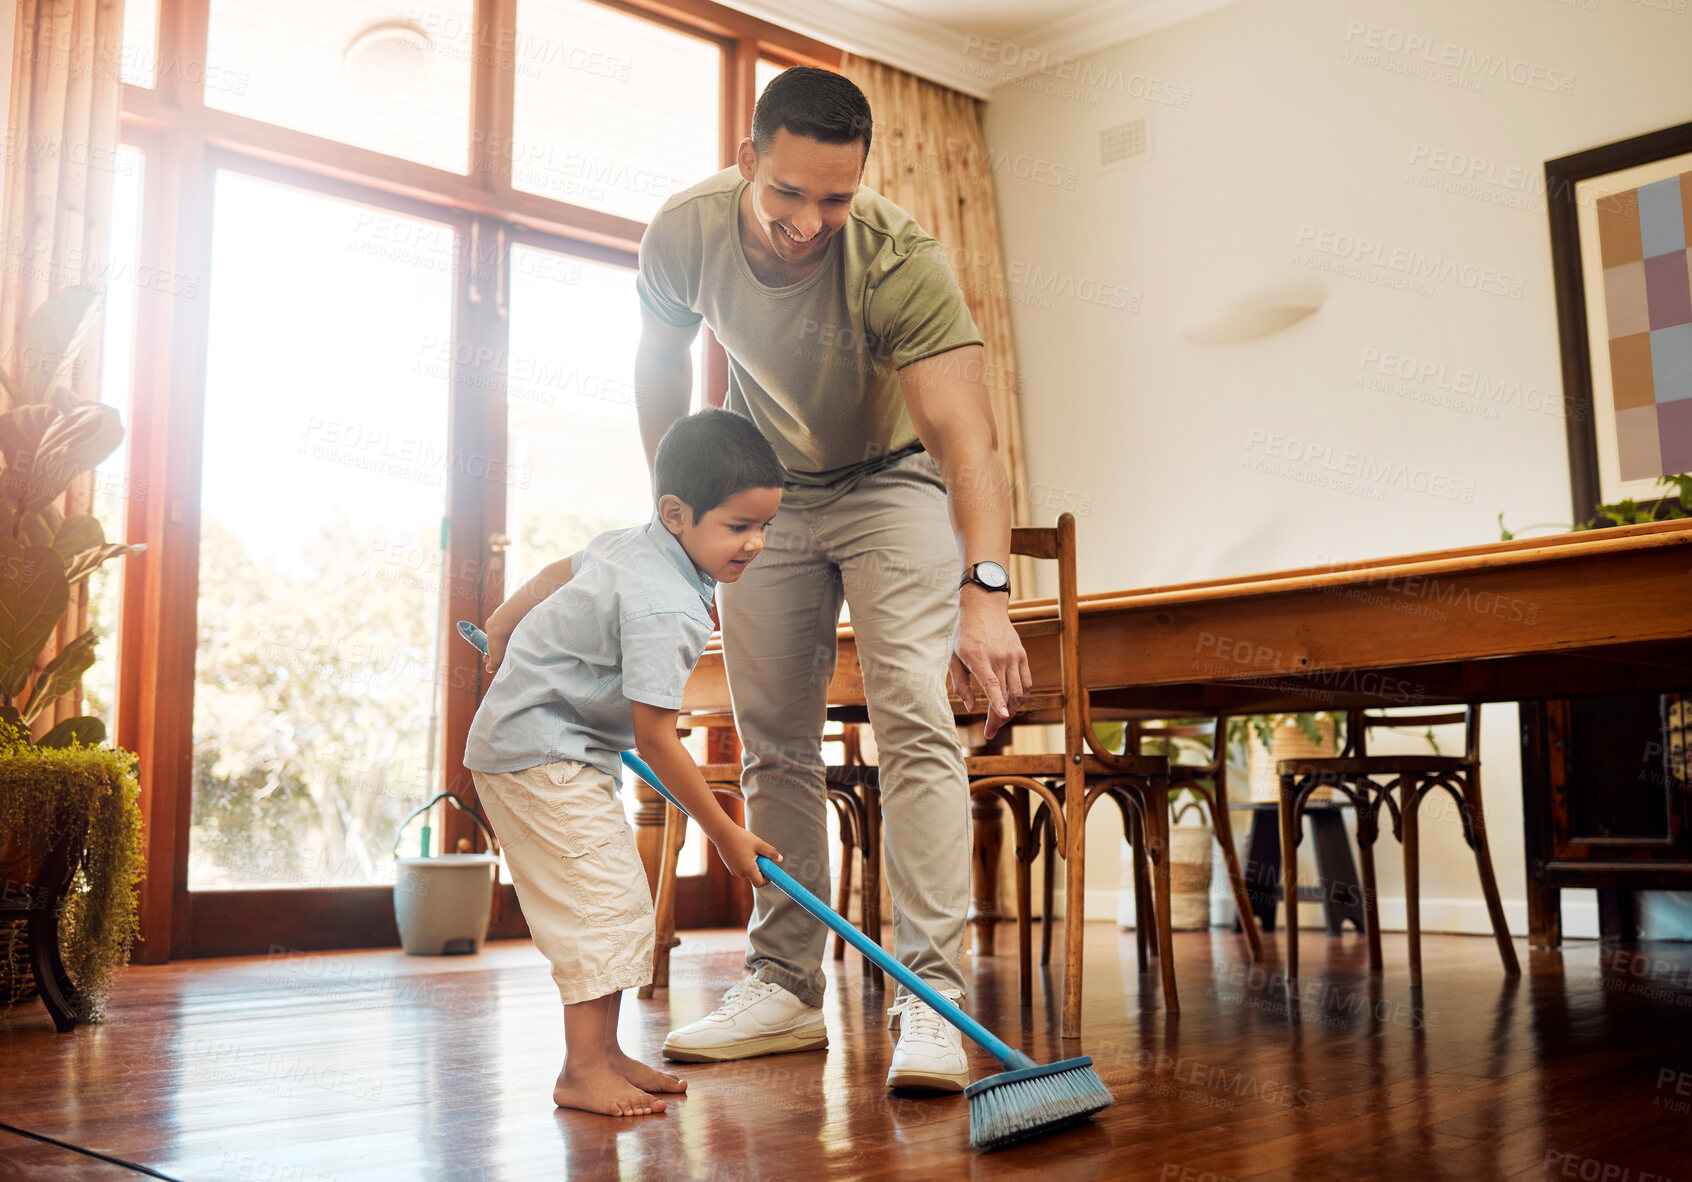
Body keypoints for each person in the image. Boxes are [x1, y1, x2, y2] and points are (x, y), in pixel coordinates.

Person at [632, 67, 1031, 1093]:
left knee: (913, 717)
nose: (811, 221)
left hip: (889, 480)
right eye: (789, 194)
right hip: (764, 484)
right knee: (771, 737)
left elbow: (966, 439)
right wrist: (679, 519)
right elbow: (660, 368)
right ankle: (783, 989)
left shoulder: (897, 258)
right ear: (747, 162)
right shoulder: (686, 232)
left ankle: (932, 1002)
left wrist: (983, 588)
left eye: (836, 198)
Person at [465, 408, 785, 1117]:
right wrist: (726, 833)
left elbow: (557, 572)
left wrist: (501, 625)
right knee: (599, 905)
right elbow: (658, 736)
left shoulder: (632, 545)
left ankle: (605, 1054)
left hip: (551, 747)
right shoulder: (664, 604)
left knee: (612, 899)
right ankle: (581, 1070)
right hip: (538, 755)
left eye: (765, 525)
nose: (756, 544)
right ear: (677, 513)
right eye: (738, 527)